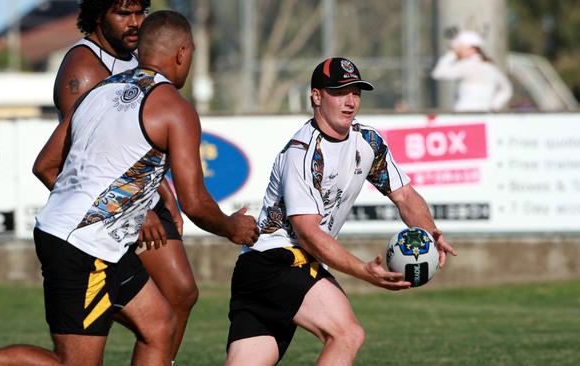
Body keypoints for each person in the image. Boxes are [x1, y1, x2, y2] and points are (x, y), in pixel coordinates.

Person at [0, 10, 259, 366]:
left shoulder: (99, 90)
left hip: (92, 240)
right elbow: (195, 203)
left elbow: (45, 164)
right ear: (182, 53)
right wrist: (232, 227)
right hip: (83, 247)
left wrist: (120, 206)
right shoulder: (176, 109)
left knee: (161, 325)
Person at [225, 57, 458, 366]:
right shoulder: (302, 153)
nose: (350, 101)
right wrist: (363, 271)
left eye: (356, 92)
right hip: (276, 262)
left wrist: (429, 231)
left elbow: (405, 195)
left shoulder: (368, 142)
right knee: (347, 334)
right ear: (316, 96)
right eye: (339, 91)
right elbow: (307, 233)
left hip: (262, 270)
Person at [53, 1, 199, 361]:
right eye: (123, 14)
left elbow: (133, 144)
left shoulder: (139, 59)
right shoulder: (84, 69)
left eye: (141, 13)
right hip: (107, 211)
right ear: (99, 15)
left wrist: (162, 191)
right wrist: (134, 210)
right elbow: (70, 161)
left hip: (135, 200)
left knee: (180, 294)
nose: (135, 23)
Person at [432, 30, 513, 112]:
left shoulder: (467, 65)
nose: (458, 52)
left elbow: (438, 73)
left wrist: (452, 54)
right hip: (485, 116)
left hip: (464, 115)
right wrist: (493, 106)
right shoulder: (491, 67)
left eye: (460, 48)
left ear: (471, 49)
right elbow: (507, 90)